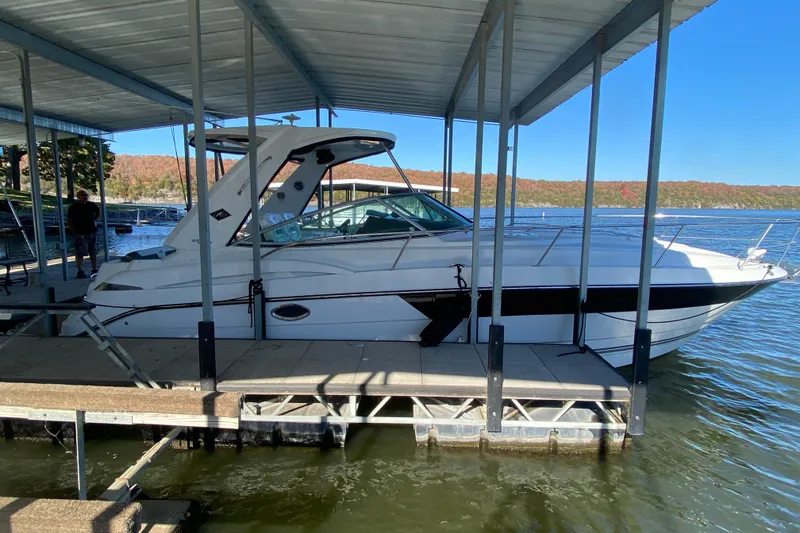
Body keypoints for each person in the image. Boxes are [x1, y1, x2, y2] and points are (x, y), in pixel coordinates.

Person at [67, 190, 100, 279]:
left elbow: (98, 212)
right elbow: (69, 220)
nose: (85, 196)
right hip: (80, 232)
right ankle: (80, 270)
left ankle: (94, 269)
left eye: (86, 195)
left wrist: (94, 219)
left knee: (93, 251)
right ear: (78, 196)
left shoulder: (91, 205)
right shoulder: (74, 207)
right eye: (82, 195)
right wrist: (74, 232)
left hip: (92, 232)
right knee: (80, 252)